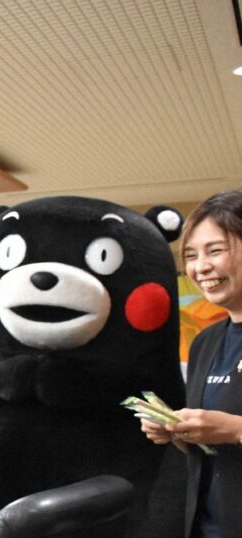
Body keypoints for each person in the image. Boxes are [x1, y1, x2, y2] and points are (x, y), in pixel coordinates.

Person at [140, 188, 242, 537]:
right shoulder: (206, 342)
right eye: (191, 255)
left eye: (215, 251)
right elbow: (208, 445)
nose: (201, 268)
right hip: (207, 525)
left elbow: (230, 430)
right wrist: (177, 430)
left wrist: (235, 429)